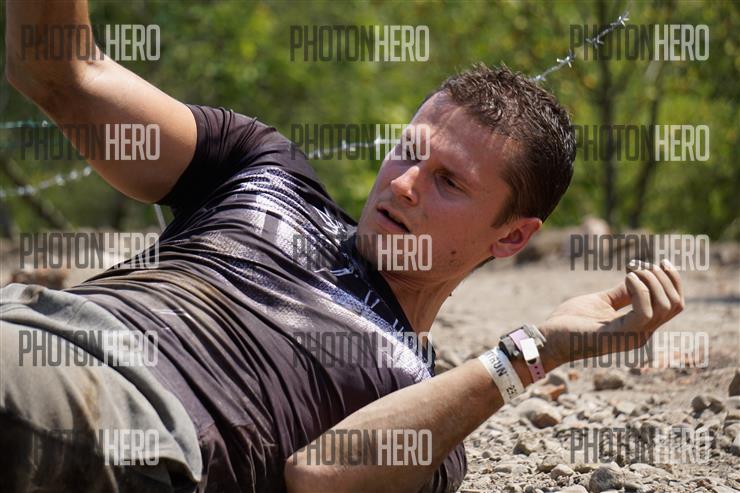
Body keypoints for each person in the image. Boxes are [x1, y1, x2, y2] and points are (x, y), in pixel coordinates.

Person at [2, 2, 685, 492]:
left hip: (118, 413)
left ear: (510, 236)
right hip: (27, 322)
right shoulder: (262, 169)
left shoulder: (428, 405)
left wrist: (541, 347)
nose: (405, 183)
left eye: (448, 182)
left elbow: (319, 474)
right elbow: (63, 76)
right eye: (408, 151)